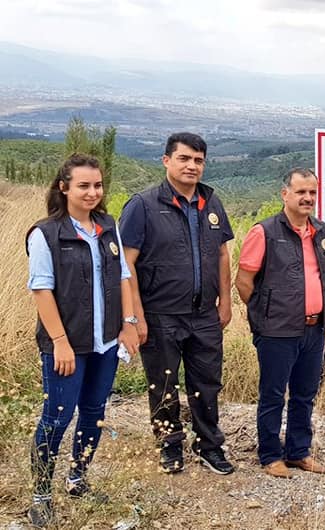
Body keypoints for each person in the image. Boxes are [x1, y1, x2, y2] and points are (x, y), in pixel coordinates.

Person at [25, 154, 140, 527]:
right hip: (67, 345)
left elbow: (123, 276)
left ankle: (77, 479)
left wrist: (128, 323)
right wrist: (59, 341)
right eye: (83, 186)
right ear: (64, 188)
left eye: (97, 185)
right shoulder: (45, 234)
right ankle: (41, 495)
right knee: (57, 418)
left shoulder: (107, 226)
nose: (92, 192)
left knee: (94, 413)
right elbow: (42, 290)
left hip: (105, 344)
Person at [119, 132, 236, 475]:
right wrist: (136, 316)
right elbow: (126, 264)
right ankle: (169, 444)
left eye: (198, 160)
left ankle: (208, 445)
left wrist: (225, 302)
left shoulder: (211, 202)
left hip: (204, 315)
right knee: (163, 383)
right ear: (167, 160)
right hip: (160, 314)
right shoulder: (143, 205)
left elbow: (222, 254)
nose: (191, 166)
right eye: (184, 158)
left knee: (207, 382)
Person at [235, 168, 325, 478]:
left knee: (305, 393)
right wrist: (264, 315)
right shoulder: (264, 232)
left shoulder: (321, 230)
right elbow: (244, 281)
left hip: (314, 328)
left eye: (312, 192)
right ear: (285, 194)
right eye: (301, 192)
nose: (307, 198)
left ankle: (298, 452)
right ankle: (270, 455)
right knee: (273, 395)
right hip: (276, 331)